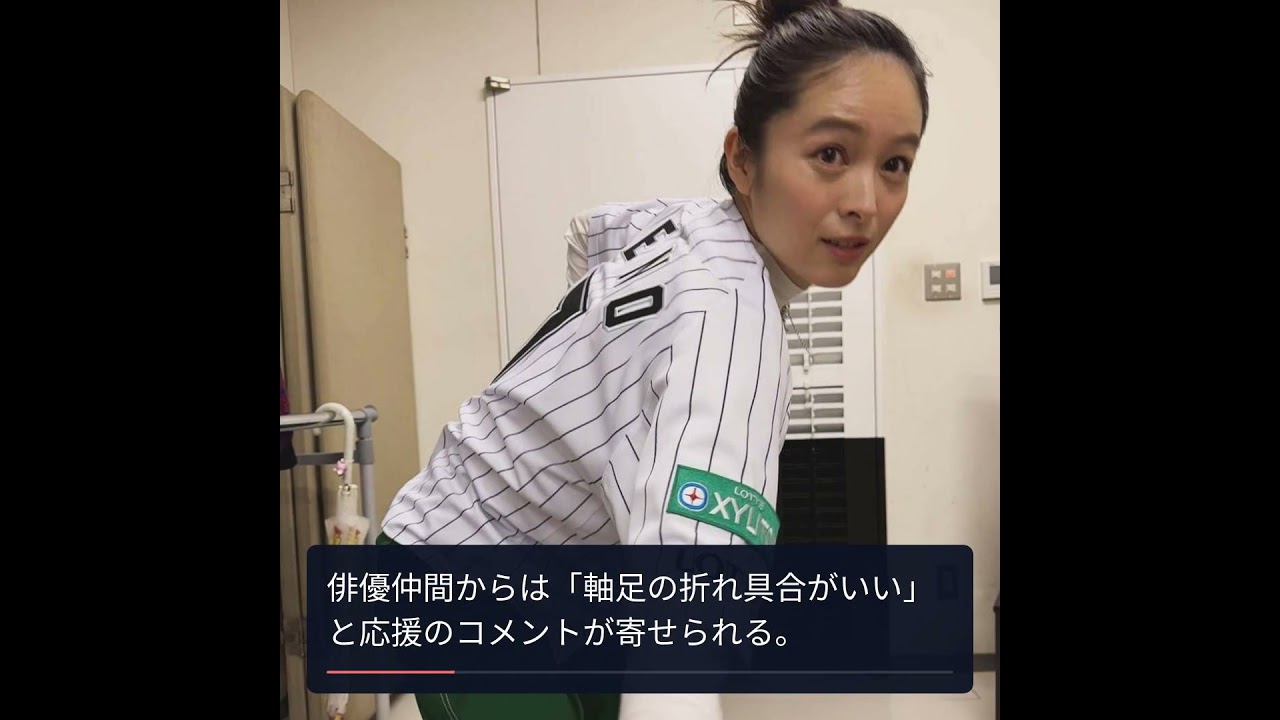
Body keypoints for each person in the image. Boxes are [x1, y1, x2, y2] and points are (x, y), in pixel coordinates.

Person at [378, 1, 930, 717]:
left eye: (894, 164)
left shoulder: (691, 222)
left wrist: (603, 374)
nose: (865, 201)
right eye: (831, 154)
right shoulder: (732, 330)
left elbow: (589, 231)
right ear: (743, 158)